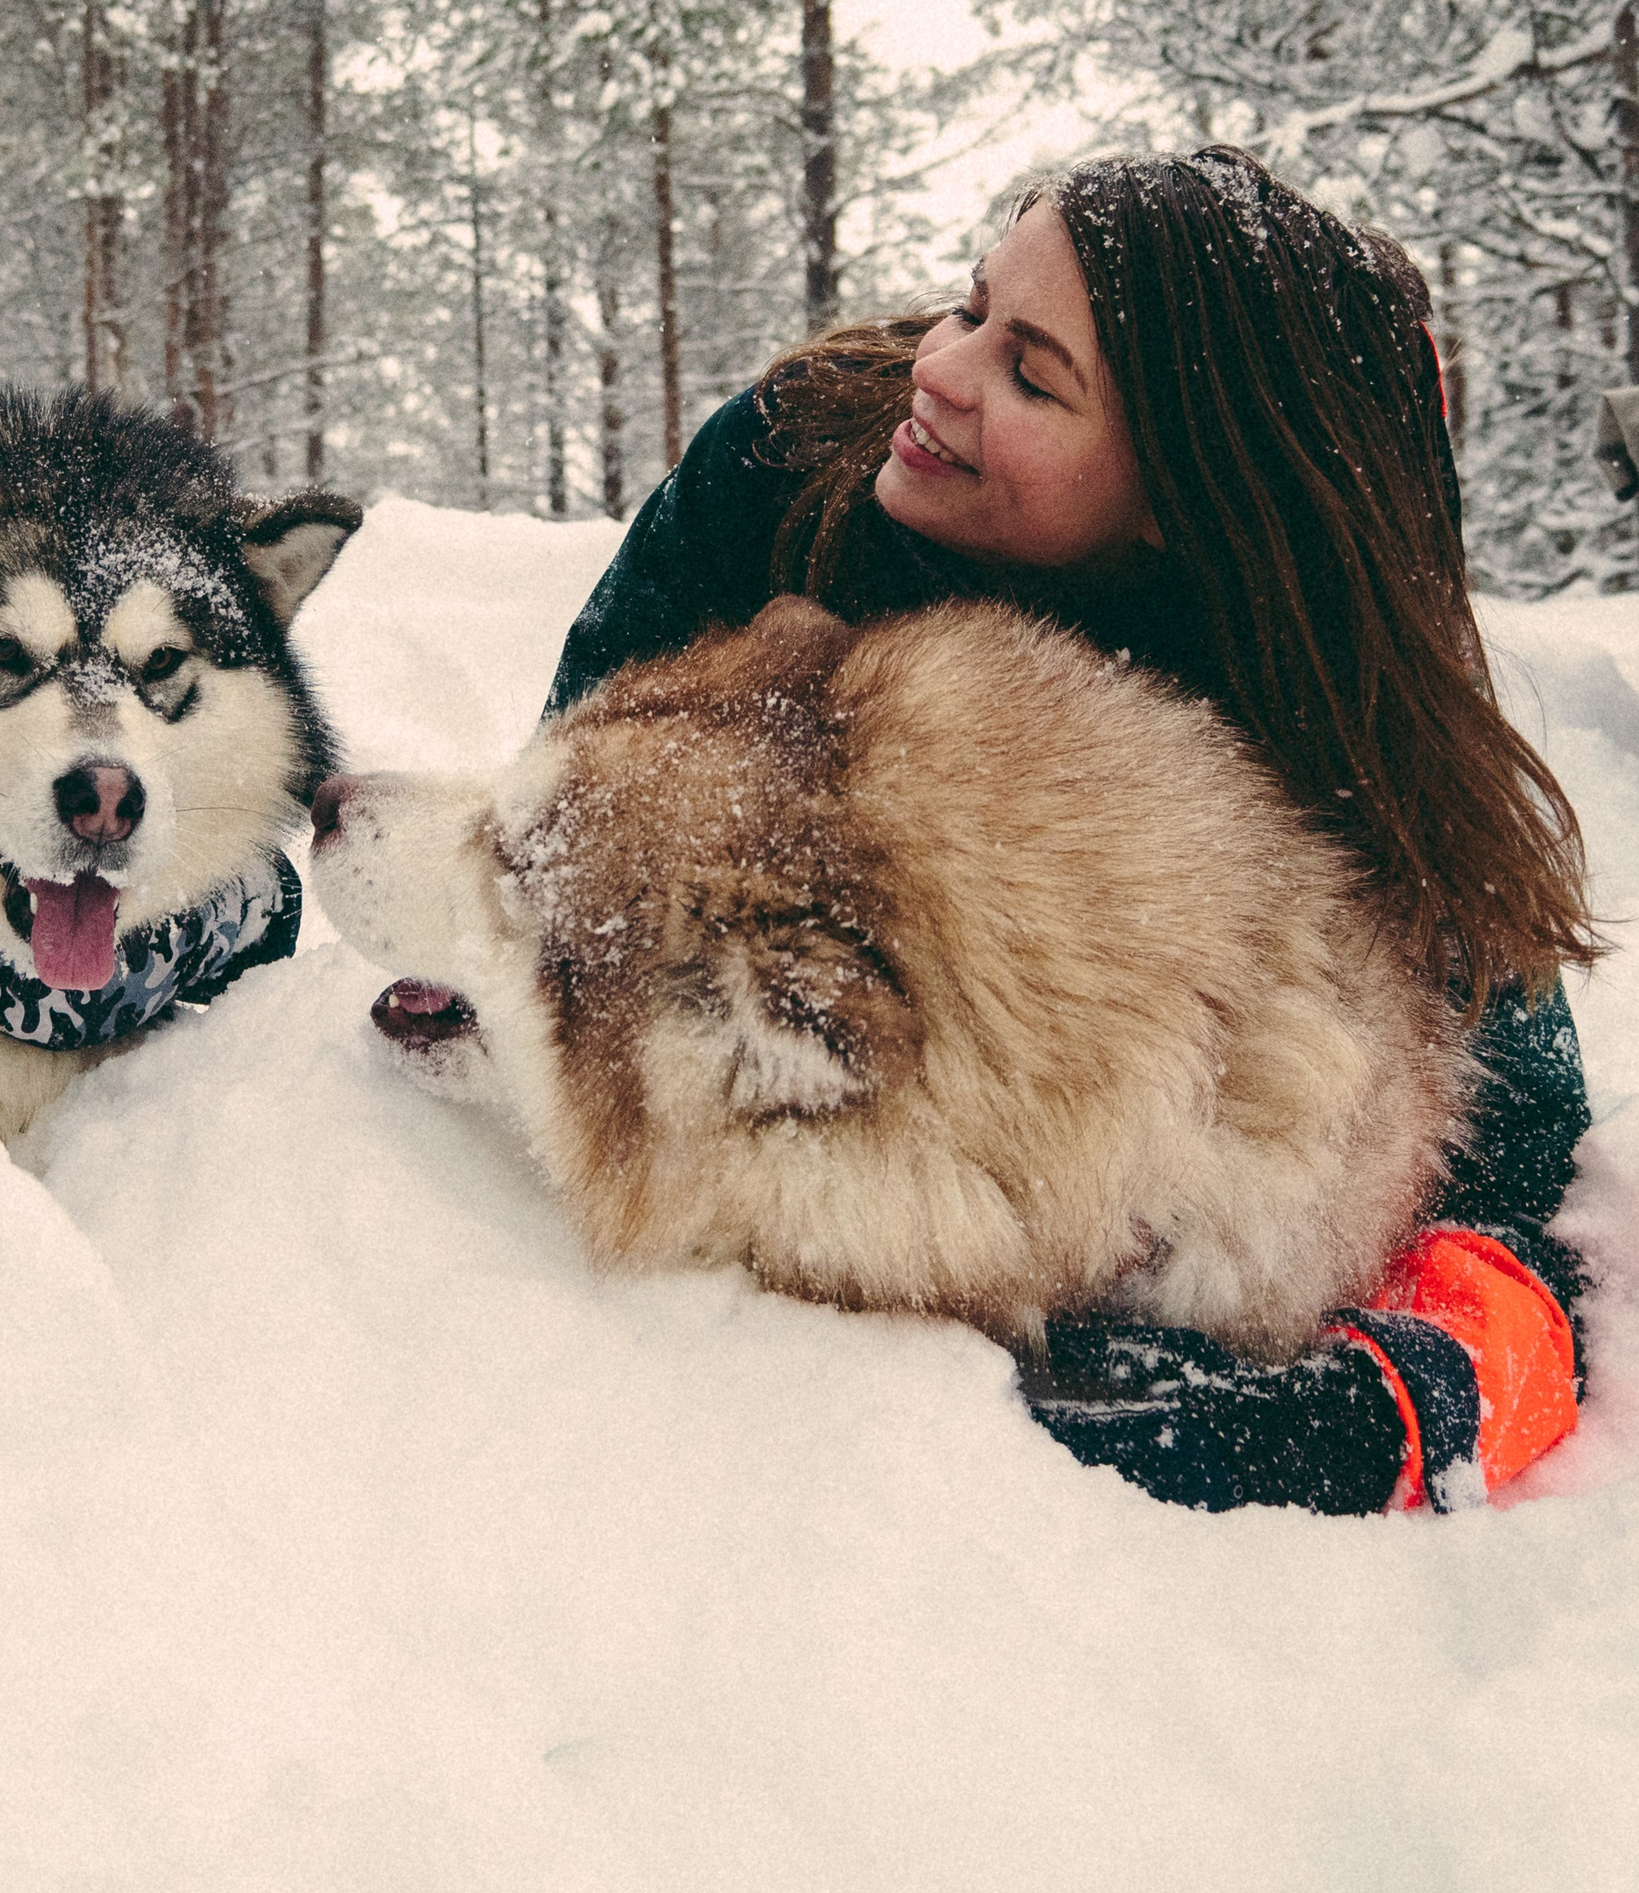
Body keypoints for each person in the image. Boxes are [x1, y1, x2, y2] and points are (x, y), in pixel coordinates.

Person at [549, 149, 1597, 1515]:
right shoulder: (785, 467)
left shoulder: (1338, 724)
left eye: (1032, 375)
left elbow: (1527, 1177)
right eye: (971, 306)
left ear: (1190, 502)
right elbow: (574, 824)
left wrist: (1375, 1408)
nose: (942, 368)